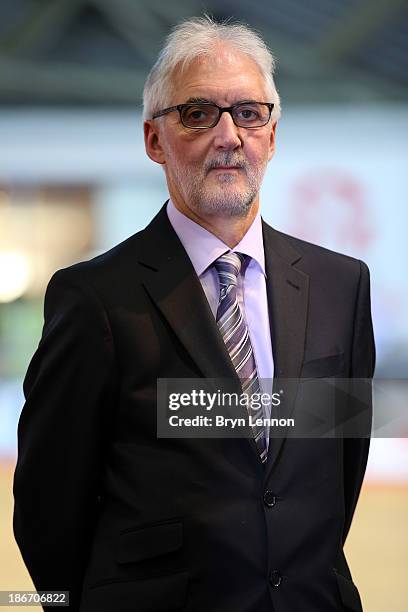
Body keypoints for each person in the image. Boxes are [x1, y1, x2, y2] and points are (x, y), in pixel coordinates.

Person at [13, 15, 375, 612]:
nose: (229, 134)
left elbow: (339, 472)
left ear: (273, 135)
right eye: (199, 113)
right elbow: (49, 507)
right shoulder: (95, 298)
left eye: (250, 113)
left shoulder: (341, 285)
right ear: (155, 140)